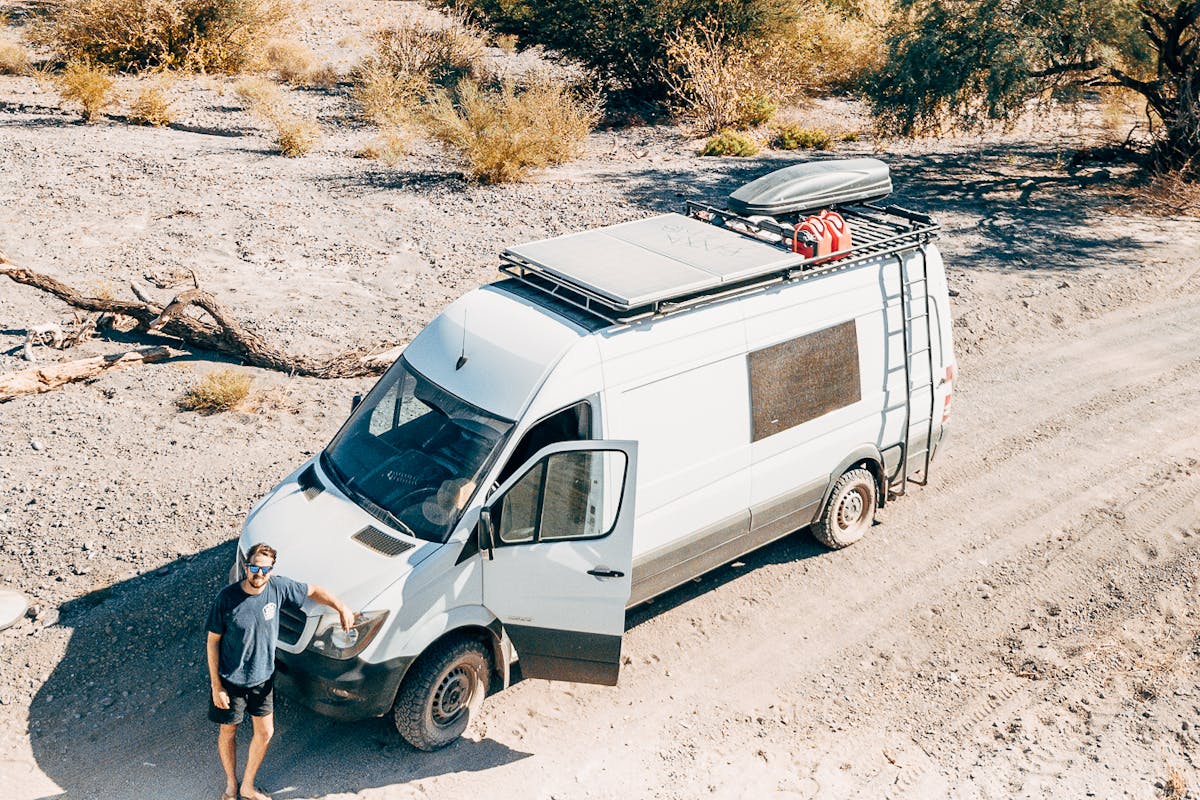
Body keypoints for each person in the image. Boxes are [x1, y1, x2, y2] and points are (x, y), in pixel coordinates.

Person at [206, 542, 354, 800]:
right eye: (254, 568)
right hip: (231, 681)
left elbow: (314, 591)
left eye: (265, 569)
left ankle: (248, 786)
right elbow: (212, 642)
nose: (259, 574)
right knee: (228, 732)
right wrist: (216, 686)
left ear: (272, 570)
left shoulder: (278, 588)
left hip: (262, 680)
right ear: (245, 566)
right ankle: (231, 784)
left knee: (265, 733)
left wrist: (341, 606)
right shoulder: (227, 598)